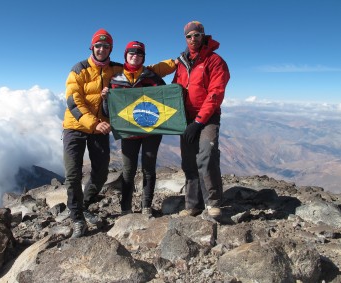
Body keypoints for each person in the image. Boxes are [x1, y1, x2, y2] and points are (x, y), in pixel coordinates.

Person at [102, 41, 176, 216]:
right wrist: (106, 99)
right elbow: (108, 112)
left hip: (151, 132)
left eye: (139, 54)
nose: (135, 56)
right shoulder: (116, 80)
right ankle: (125, 209)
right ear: (126, 56)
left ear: (144, 57)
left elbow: (164, 101)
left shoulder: (153, 78)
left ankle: (146, 206)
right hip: (129, 133)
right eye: (131, 53)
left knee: (148, 169)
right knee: (128, 171)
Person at [63, 29, 124, 238]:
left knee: (101, 172)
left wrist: (174, 63)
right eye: (98, 45)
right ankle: (77, 217)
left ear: (110, 49)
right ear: (92, 47)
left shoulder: (117, 70)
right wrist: (94, 123)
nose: (102, 49)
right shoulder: (79, 69)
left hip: (101, 127)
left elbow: (139, 71)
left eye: (106, 46)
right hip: (76, 126)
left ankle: (85, 205)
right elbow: (73, 101)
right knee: (73, 175)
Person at [172, 21, 230, 218]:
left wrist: (198, 122)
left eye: (197, 35)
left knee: (206, 154)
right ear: (185, 38)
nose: (193, 39)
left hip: (207, 116)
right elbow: (174, 89)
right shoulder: (181, 62)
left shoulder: (214, 61)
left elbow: (215, 93)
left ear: (203, 35)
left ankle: (213, 203)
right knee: (189, 161)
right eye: (189, 36)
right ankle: (193, 205)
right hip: (186, 118)